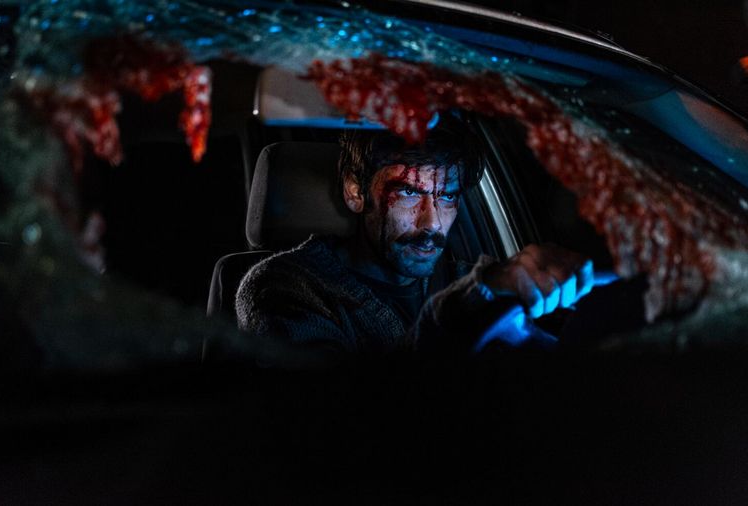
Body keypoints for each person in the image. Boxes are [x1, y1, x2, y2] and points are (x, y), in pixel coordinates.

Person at [235, 116, 594, 355]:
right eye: (408, 193)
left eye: (448, 196)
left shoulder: (467, 279)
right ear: (355, 192)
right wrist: (468, 309)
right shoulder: (283, 286)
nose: (432, 223)